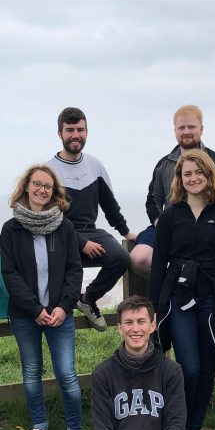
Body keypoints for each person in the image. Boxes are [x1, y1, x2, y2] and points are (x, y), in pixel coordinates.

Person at [70, 296, 211, 430]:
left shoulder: (171, 370)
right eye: (129, 322)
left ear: (152, 325)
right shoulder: (103, 373)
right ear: (119, 328)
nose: (135, 329)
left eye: (141, 321)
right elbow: (102, 427)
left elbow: (176, 422)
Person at [148, 149, 215, 430]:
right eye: (187, 173)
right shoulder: (169, 217)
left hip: (213, 298)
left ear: (209, 175)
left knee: (206, 367)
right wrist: (154, 306)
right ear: (179, 178)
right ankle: (177, 424)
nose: (193, 178)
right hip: (177, 298)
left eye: (198, 172)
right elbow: (158, 263)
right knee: (187, 367)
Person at [0, 164, 84, 430]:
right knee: (31, 372)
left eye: (47, 186)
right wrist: (35, 309)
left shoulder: (65, 227)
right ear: (26, 187)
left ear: (54, 192)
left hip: (61, 314)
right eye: (36, 184)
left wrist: (63, 306)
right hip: (26, 315)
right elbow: (10, 273)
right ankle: (39, 427)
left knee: (67, 373)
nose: (41, 189)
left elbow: (74, 270)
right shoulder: (11, 229)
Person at [47, 107, 136, 331]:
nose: (75, 135)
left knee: (121, 257)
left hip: (91, 229)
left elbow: (109, 205)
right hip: (60, 234)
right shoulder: (49, 170)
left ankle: (87, 300)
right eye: (70, 130)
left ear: (86, 132)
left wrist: (125, 232)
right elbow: (51, 220)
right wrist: (81, 243)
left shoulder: (95, 165)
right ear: (60, 133)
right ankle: (58, 315)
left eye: (80, 129)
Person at [132, 104, 215, 276]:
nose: (186, 131)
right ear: (175, 130)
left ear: (201, 129)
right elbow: (153, 200)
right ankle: (170, 290)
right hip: (166, 226)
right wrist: (161, 224)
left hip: (206, 229)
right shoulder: (163, 164)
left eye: (191, 127)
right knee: (139, 258)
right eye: (181, 127)